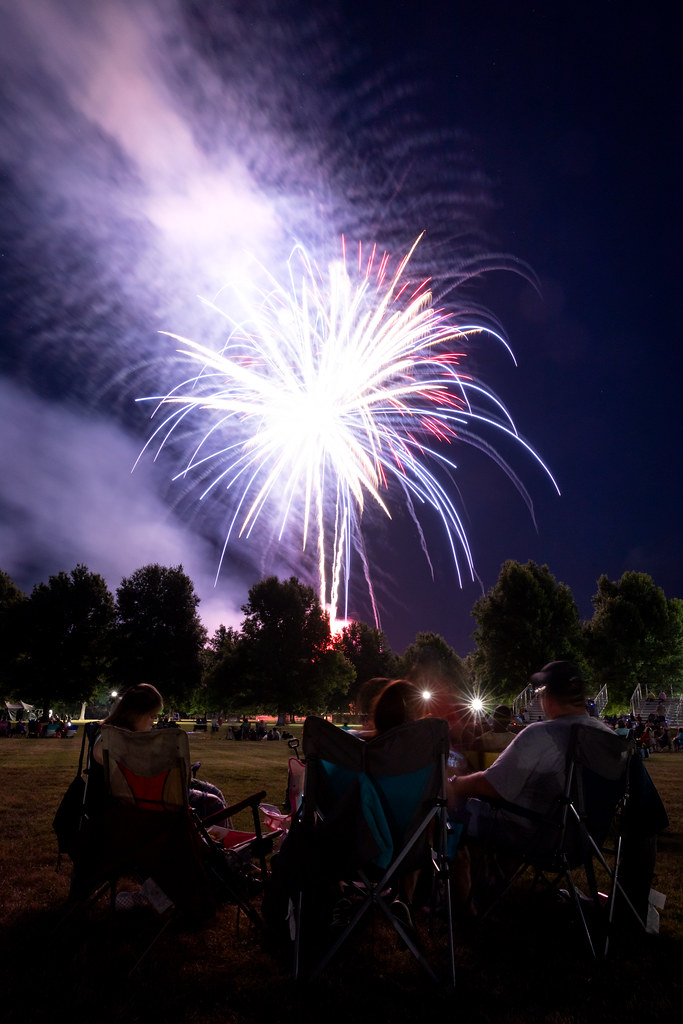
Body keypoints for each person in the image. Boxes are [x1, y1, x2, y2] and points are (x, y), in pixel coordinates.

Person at [90, 684, 230, 820]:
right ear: (136, 713)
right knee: (214, 803)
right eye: (152, 716)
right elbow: (102, 753)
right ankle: (216, 842)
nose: (153, 722)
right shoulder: (110, 734)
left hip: (150, 790)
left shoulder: (130, 733)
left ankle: (213, 840)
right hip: (140, 798)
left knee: (214, 791)